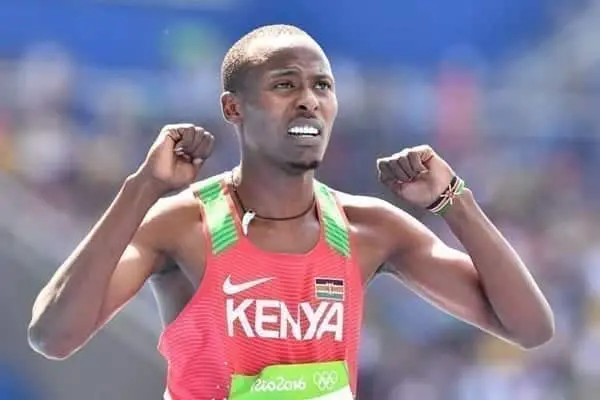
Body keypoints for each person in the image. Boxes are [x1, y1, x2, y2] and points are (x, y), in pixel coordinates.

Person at [27, 24, 554, 399]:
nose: (308, 100)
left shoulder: (368, 228)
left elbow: (530, 327)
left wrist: (452, 201)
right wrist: (142, 188)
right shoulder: (183, 224)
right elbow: (54, 336)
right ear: (234, 107)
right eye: (285, 85)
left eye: (321, 85)